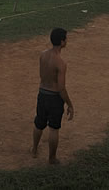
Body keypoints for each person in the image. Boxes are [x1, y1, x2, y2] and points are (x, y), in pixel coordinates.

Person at [31, 28, 74, 165]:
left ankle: (34, 149)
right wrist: (70, 104)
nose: (67, 41)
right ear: (62, 42)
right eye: (66, 39)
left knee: (39, 124)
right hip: (54, 97)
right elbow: (61, 88)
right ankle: (52, 158)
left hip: (42, 93)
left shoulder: (43, 55)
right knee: (54, 128)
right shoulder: (60, 63)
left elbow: (42, 75)